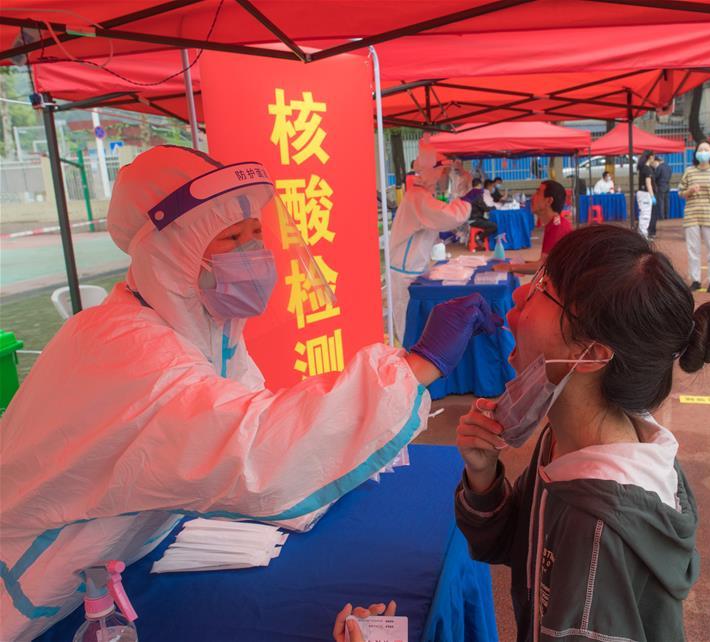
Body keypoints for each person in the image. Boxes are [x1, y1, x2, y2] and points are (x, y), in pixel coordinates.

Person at [0, 146, 500, 641]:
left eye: (256, 232)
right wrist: (417, 365)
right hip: (32, 603)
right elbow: (253, 450)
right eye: (232, 238)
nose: (254, 252)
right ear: (175, 253)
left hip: (110, 571)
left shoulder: (192, 326)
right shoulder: (130, 353)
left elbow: (255, 407)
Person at [455, 225, 710, 642]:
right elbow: (515, 545)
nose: (519, 296)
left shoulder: (597, 531)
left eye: (543, 289)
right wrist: (483, 476)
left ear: (590, 354)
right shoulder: (566, 442)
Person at [389, 137, 473, 341]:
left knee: (416, 324)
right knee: (408, 326)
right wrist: (466, 198)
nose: (445, 177)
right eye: (444, 172)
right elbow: (449, 215)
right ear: (434, 172)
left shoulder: (422, 195)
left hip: (413, 269)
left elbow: (434, 222)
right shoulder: (417, 197)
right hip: (405, 272)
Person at [494, 180, 571, 275]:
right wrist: (520, 266)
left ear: (549, 201)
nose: (532, 197)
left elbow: (544, 266)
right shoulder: (554, 224)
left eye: (538, 193)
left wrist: (510, 267)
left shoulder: (558, 227)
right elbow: (545, 262)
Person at [680, 140, 710, 293]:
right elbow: (681, 192)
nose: (703, 152)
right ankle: (695, 279)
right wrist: (689, 191)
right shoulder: (689, 171)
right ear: (695, 153)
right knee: (693, 249)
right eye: (700, 150)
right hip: (692, 214)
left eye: (706, 150)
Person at [463, 177, 499, 248]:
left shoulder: (469, 194)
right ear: (479, 185)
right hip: (475, 220)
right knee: (494, 226)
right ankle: (479, 238)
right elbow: (485, 208)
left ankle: (479, 238)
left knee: (488, 222)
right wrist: (494, 207)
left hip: (470, 219)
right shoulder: (477, 195)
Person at [636, 150, 657, 238]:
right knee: (645, 216)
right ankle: (643, 235)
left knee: (643, 215)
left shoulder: (642, 168)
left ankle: (642, 234)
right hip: (645, 194)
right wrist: (652, 196)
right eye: (654, 157)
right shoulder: (647, 169)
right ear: (651, 157)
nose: (654, 159)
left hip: (642, 193)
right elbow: (648, 184)